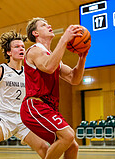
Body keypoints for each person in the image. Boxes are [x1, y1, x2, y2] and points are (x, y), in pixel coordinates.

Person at [0, 30, 48, 159]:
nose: (21, 49)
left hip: (24, 118)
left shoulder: (30, 72)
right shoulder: (0, 71)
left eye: (23, 47)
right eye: (17, 47)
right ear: (9, 52)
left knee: (44, 147)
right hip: (4, 117)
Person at [20, 17, 90, 159]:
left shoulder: (52, 55)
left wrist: (82, 58)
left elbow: (73, 78)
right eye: (44, 25)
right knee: (68, 136)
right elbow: (48, 67)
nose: (49, 25)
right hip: (34, 105)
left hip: (48, 107)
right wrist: (64, 40)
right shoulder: (34, 51)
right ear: (35, 33)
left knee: (72, 145)